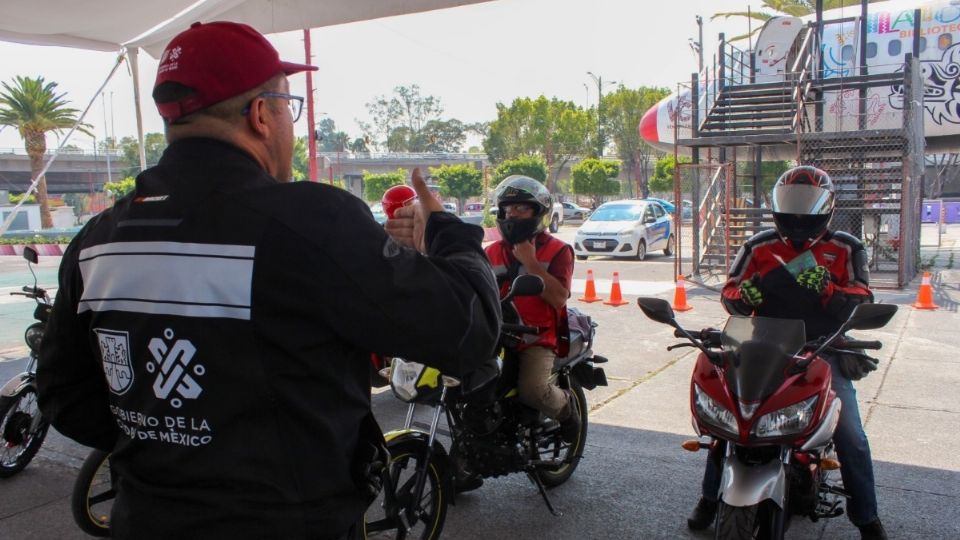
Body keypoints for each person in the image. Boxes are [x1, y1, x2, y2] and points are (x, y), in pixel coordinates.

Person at [36, 21, 500, 540]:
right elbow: (469, 329)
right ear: (261, 114)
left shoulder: (99, 238)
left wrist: (171, 450)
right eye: (288, 106)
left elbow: (63, 390)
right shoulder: (311, 224)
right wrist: (447, 231)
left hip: (145, 518)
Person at [686, 165, 887, 540]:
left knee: (851, 437)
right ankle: (710, 498)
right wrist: (743, 298)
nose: (797, 216)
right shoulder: (758, 246)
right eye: (791, 207)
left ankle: (866, 517)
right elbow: (730, 291)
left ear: (825, 207)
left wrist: (829, 290)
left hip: (823, 350)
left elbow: (863, 298)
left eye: (805, 207)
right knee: (727, 424)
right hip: (760, 347)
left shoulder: (847, 247)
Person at [486, 176, 579, 440]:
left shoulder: (558, 250)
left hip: (536, 336)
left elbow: (559, 298)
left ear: (538, 213)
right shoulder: (491, 252)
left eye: (520, 208)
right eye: (507, 209)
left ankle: (566, 408)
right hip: (497, 332)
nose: (511, 214)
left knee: (532, 390)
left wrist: (532, 263)